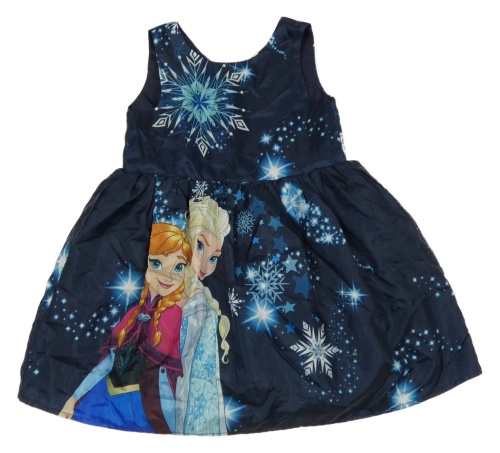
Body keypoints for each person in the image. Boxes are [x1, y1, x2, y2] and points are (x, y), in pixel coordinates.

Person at [58, 223, 192, 434]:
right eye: (156, 263)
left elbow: (169, 379)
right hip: (102, 397)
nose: (168, 276)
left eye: (178, 267)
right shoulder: (132, 313)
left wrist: (176, 426)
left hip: (147, 408)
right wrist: (74, 397)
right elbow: (107, 362)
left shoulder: (178, 315)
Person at [175, 196, 231, 435]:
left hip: (187, 404)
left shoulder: (201, 303)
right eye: (199, 246)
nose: (205, 267)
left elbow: (198, 371)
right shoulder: (174, 290)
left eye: (213, 257)